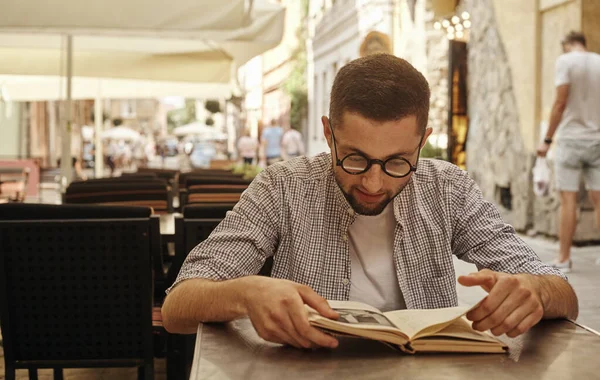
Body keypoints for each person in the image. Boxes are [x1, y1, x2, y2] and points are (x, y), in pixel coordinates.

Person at [163, 54, 578, 349]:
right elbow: (178, 307)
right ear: (329, 134)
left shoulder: (447, 188)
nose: (375, 182)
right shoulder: (283, 185)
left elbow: (564, 294)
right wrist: (247, 292)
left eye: (398, 161)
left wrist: (535, 291)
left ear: (423, 142)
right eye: (356, 158)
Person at [537, 31, 600, 272]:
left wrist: (547, 140)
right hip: (597, 140)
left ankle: (563, 259)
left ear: (568, 45)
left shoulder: (565, 61)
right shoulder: (599, 61)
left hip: (571, 140)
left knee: (568, 201)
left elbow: (560, 102)